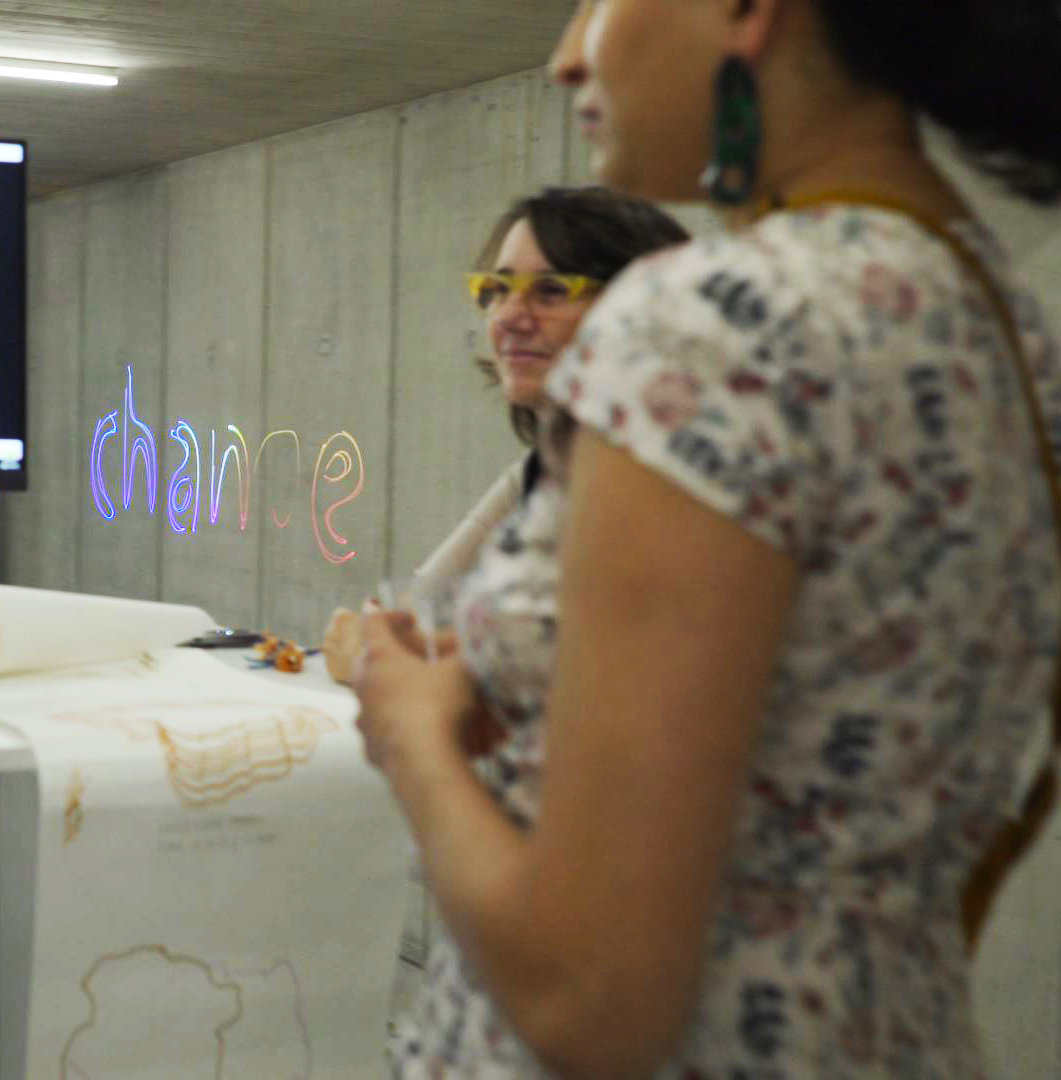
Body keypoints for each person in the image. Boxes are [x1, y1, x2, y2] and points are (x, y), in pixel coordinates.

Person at [353, 0, 1061, 1075]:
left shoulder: (713, 321)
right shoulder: (1000, 324)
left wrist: (407, 728)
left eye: (600, 2)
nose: (566, 56)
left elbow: (594, 1001)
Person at [322, 187, 688, 685]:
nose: (510, 317)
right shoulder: (543, 472)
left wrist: (389, 658)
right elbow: (410, 615)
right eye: (498, 290)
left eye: (552, 290)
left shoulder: (679, 488)